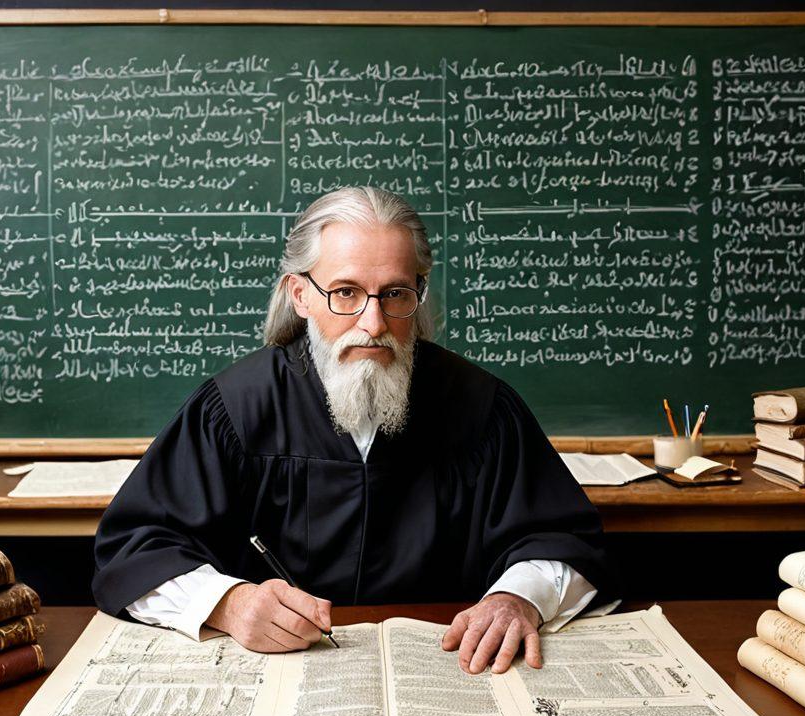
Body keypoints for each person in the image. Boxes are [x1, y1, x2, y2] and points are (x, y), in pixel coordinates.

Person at [92, 186, 616, 674]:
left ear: (419, 294)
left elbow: (562, 539)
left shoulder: (481, 408)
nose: (374, 323)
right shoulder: (233, 410)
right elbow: (136, 550)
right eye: (345, 292)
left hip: (450, 672)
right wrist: (228, 604)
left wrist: (517, 599)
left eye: (395, 294)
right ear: (299, 295)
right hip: (276, 675)